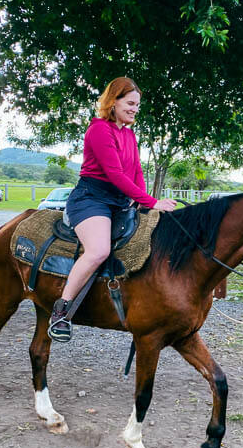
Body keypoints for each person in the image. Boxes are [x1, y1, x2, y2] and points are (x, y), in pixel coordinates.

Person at [48, 77, 177, 342]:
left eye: (137, 105)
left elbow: (136, 172)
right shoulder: (99, 130)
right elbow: (116, 174)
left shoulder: (129, 134)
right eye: (130, 103)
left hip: (120, 202)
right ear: (113, 102)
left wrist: (144, 202)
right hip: (91, 200)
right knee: (98, 251)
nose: (134, 109)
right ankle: (61, 310)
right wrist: (152, 202)